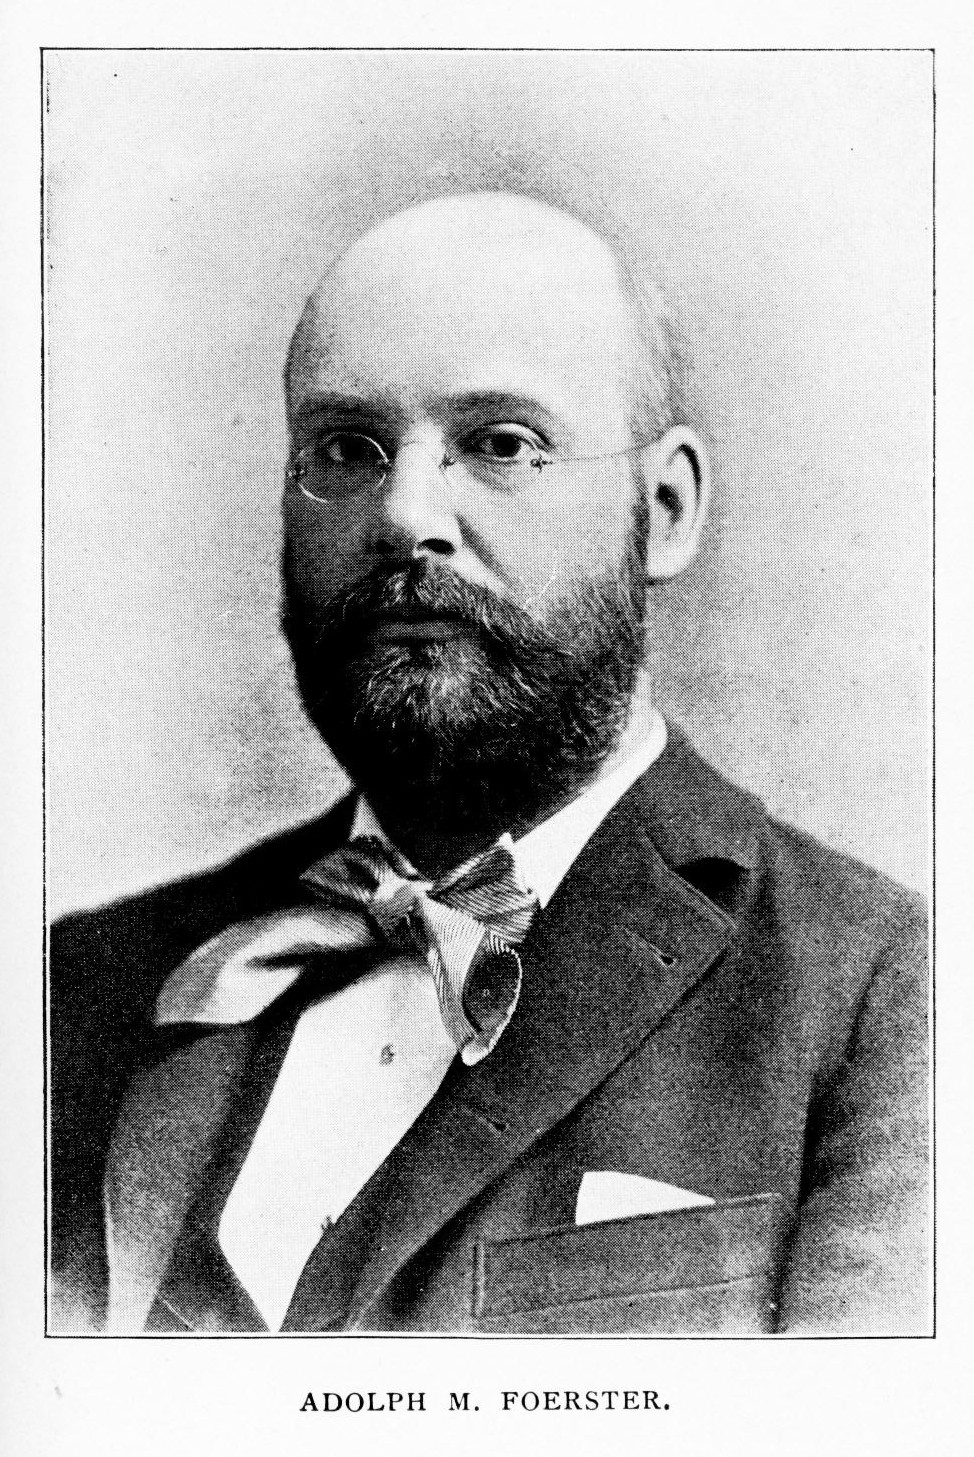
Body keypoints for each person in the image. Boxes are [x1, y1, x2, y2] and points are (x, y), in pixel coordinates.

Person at [50, 191, 929, 1336]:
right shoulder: (81, 986)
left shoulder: (882, 993)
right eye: (346, 449)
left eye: (501, 444)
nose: (404, 513)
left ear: (663, 509)